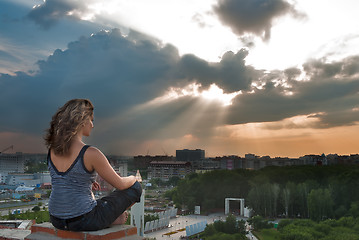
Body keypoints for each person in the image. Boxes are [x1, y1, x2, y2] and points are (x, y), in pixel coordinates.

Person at [44, 99, 142, 231]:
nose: (92, 125)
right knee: (135, 188)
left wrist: (87, 181)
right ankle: (113, 217)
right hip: (84, 220)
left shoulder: (52, 150)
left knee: (94, 200)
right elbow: (120, 184)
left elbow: (66, 181)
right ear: (82, 120)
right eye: (91, 120)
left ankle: (108, 218)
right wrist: (133, 178)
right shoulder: (90, 153)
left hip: (57, 220)